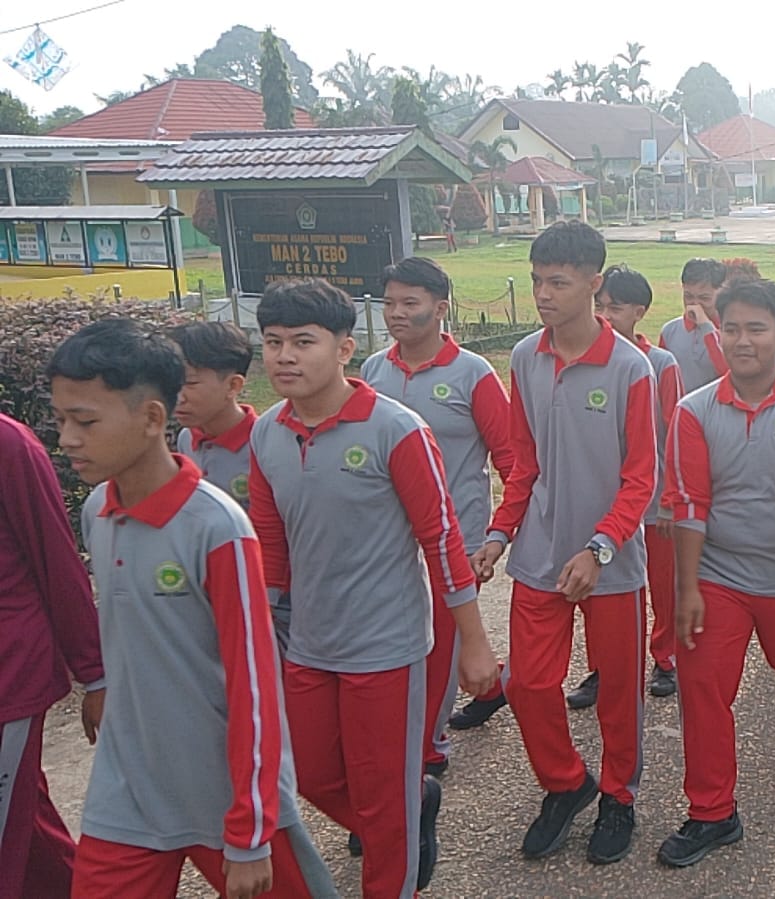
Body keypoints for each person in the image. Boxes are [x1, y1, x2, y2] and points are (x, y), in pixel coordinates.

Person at [49, 319, 334, 899]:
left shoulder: (217, 528)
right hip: (126, 788)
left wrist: (251, 829)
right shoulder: (98, 510)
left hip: (224, 791)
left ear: (153, 418)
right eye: (61, 421)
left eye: (85, 422)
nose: (67, 440)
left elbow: (254, 685)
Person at [249, 279, 496, 896]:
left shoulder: (396, 429)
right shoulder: (268, 434)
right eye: (273, 342)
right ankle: (413, 811)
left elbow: (441, 539)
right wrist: (263, 632)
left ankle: (397, 857)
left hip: (388, 645)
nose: (284, 356)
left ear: (344, 348)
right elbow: (270, 545)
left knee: (383, 797)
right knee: (308, 772)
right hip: (308, 641)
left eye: (303, 342)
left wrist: (473, 642)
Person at [471, 222, 655, 866]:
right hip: (541, 554)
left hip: (612, 564)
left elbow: (641, 478)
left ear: (593, 284)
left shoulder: (631, 367)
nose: (544, 294)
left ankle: (618, 797)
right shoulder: (526, 356)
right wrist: (500, 531)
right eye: (536, 281)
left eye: (558, 282)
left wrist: (601, 547)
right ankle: (565, 782)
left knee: (618, 691)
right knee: (526, 683)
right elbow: (523, 459)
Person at [659, 278, 775, 868]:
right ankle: (712, 811)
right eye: (731, 328)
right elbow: (688, 504)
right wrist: (687, 588)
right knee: (702, 685)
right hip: (719, 575)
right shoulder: (694, 412)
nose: (743, 341)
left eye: (755, 329)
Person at [361, 257, 517, 755]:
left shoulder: (474, 374)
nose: (397, 314)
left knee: (440, 646)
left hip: (456, 537)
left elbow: (510, 458)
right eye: (389, 303)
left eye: (411, 303)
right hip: (389, 539)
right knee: (402, 639)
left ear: (440, 308)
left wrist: (502, 533)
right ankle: (492, 687)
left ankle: (426, 748)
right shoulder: (372, 371)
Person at [0, 413, 103, 899]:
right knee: (29, 831)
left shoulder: (9, 445)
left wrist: (95, 674)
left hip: (9, 678)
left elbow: (56, 559)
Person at [594, 266, 686, 700]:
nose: (605, 315)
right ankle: (603, 665)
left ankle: (665, 657)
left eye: (615, 307)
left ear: (640, 311)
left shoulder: (660, 363)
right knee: (602, 587)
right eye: (601, 305)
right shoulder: (590, 357)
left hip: (653, 499)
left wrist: (670, 499)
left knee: (661, 584)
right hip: (607, 501)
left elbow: (674, 433)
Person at [171, 321, 257, 511]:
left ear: (233, 386)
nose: (177, 397)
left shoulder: (262, 444)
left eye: (190, 383)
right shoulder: (186, 439)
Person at [659, 258, 730, 395]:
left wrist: (706, 327)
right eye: (688, 296)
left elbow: (728, 372)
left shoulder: (732, 330)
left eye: (704, 298)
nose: (695, 304)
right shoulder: (670, 331)